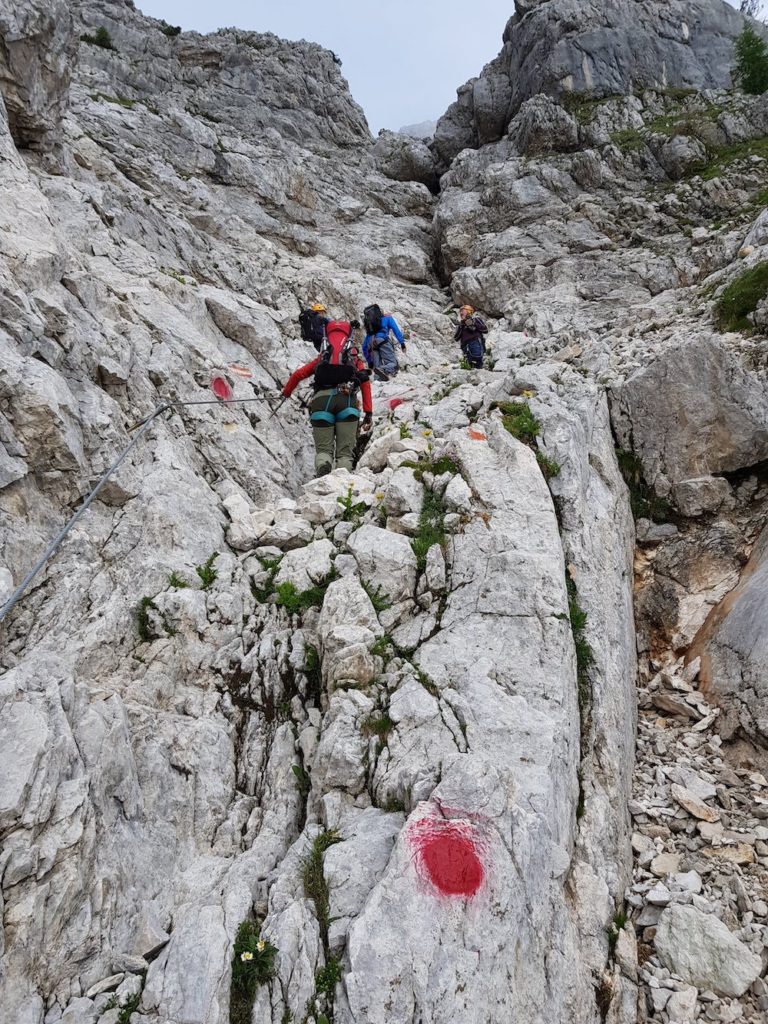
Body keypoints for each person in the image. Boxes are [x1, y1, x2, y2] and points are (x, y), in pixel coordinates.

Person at [281, 318, 373, 476]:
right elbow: (365, 383)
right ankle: (342, 478)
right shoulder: (353, 360)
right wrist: (368, 413)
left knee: (323, 451)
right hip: (347, 402)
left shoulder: (322, 358)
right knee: (345, 453)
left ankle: (324, 466)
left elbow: (298, 375)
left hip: (321, 402)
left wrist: (286, 393)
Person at [362, 303, 406, 381]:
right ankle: (381, 369)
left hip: (371, 343)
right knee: (393, 365)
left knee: (377, 369)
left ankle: (378, 380)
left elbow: (364, 346)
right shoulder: (387, 318)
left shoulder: (371, 327)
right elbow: (395, 329)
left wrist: (369, 361)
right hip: (382, 340)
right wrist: (402, 343)